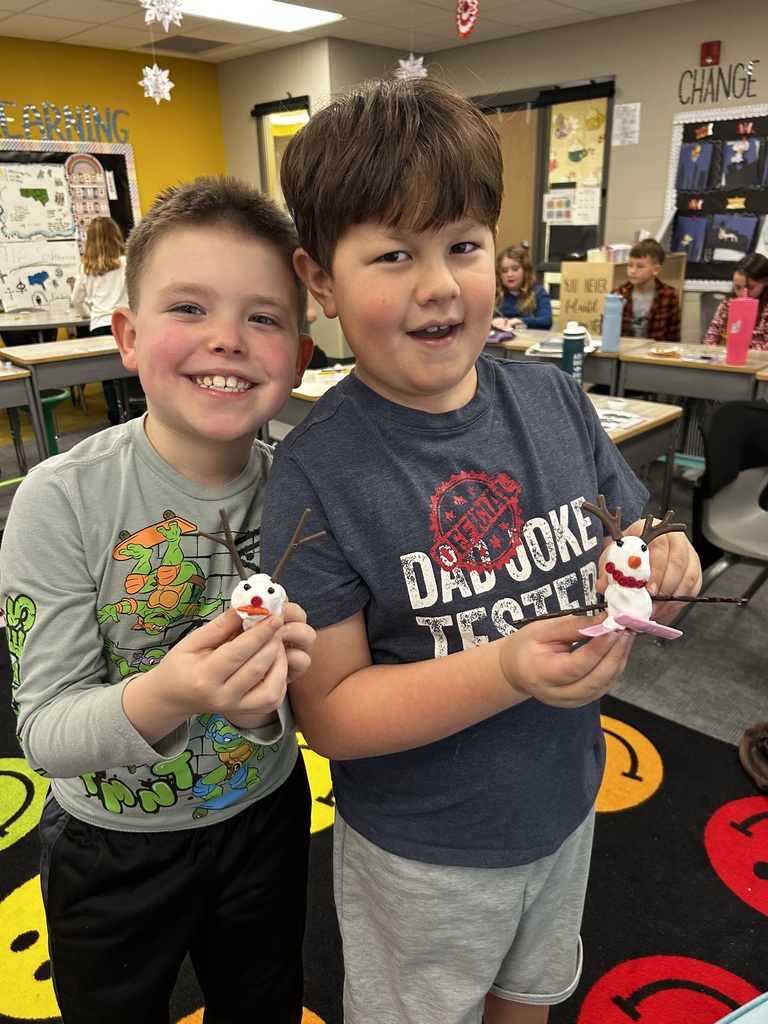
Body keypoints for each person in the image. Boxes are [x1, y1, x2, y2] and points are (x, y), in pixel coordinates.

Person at [260, 76, 701, 1024]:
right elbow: (329, 715)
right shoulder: (316, 475)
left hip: (564, 804)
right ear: (321, 282)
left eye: (461, 245)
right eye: (392, 254)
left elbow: (630, 536)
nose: (436, 284)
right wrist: (506, 668)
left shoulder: (550, 401)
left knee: (531, 995)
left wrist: (662, 558)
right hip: (423, 854)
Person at [1, 175, 316, 1023]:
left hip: (264, 819)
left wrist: (261, 708)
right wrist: (171, 693)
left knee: (266, 1002)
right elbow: (46, 733)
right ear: (129, 337)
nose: (228, 339)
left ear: (301, 355)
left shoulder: (301, 495)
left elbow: (312, 698)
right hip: (112, 847)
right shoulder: (58, 500)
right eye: (189, 308)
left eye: (263, 316)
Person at [70, 216, 130, 425]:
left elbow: (76, 299)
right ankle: (136, 412)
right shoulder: (126, 263)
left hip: (100, 326)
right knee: (131, 369)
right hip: (126, 324)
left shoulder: (86, 267)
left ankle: (115, 417)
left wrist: (89, 313)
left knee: (108, 377)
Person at [612, 237, 681, 341]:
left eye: (640, 266)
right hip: (622, 353)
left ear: (656, 269)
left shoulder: (669, 295)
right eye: (630, 265)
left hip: (654, 354)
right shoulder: (618, 294)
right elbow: (608, 333)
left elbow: (673, 338)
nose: (632, 271)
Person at [702, 251, 768, 350]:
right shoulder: (726, 305)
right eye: (737, 287)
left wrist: (740, 349)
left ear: (766, 282)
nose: (742, 294)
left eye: (750, 288)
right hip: (725, 360)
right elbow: (710, 338)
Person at [491, 243, 552, 330]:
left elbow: (546, 321)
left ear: (526, 270)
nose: (510, 274)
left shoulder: (538, 292)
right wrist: (493, 321)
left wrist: (520, 321)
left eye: (515, 269)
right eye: (504, 271)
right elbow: (478, 320)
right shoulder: (494, 294)